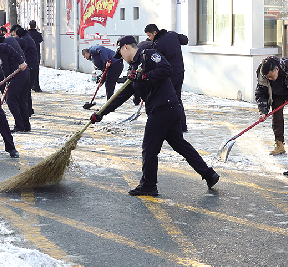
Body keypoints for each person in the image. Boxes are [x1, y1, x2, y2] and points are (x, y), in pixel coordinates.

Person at [91, 36, 219, 196]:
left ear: (126, 47)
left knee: (149, 148)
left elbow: (167, 69)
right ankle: (209, 174)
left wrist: (145, 76)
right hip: (166, 109)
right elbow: (121, 96)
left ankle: (149, 185)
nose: (121, 58)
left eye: (121, 53)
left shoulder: (149, 55)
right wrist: (101, 113)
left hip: (164, 108)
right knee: (179, 144)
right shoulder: (133, 69)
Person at [255, 56, 288, 156]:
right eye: (267, 77)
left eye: (271, 76)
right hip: (276, 94)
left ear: (277, 69)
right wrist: (263, 111)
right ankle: (279, 144)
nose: (269, 79)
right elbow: (260, 93)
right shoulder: (262, 74)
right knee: (277, 118)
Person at [144, 24, 190, 132]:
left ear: (155, 33)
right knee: (177, 98)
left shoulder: (157, 45)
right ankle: (182, 125)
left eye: (149, 35)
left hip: (169, 75)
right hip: (180, 72)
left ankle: (172, 125)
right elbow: (185, 40)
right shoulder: (172, 35)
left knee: (168, 100)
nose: (149, 38)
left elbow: (158, 64)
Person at [0, 31, 30, 132]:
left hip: (17, 74)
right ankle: (26, 125)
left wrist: (7, 79)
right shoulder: (11, 39)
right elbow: (24, 43)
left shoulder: (2, 48)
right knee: (22, 100)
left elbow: (5, 66)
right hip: (25, 71)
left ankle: (20, 126)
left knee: (11, 100)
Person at [13, 27, 38, 118]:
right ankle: (29, 109)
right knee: (27, 90)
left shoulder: (25, 40)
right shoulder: (28, 37)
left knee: (26, 90)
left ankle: (28, 110)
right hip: (33, 65)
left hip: (30, 66)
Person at [28, 20, 43, 92]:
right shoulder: (38, 34)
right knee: (36, 71)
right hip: (36, 54)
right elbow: (40, 40)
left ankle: (29, 85)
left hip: (28, 54)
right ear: (35, 26)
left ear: (29, 26)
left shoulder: (27, 34)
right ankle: (36, 86)